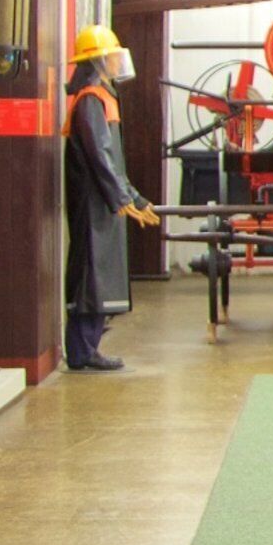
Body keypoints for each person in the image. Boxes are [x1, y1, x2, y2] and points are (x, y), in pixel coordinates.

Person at [65, 24, 160, 372]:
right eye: (114, 57)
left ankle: (88, 346)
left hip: (104, 200)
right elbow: (100, 156)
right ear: (99, 60)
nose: (120, 64)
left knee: (99, 274)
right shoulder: (91, 99)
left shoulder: (101, 96)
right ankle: (82, 351)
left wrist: (134, 198)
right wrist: (120, 198)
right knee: (92, 273)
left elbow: (112, 160)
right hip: (95, 203)